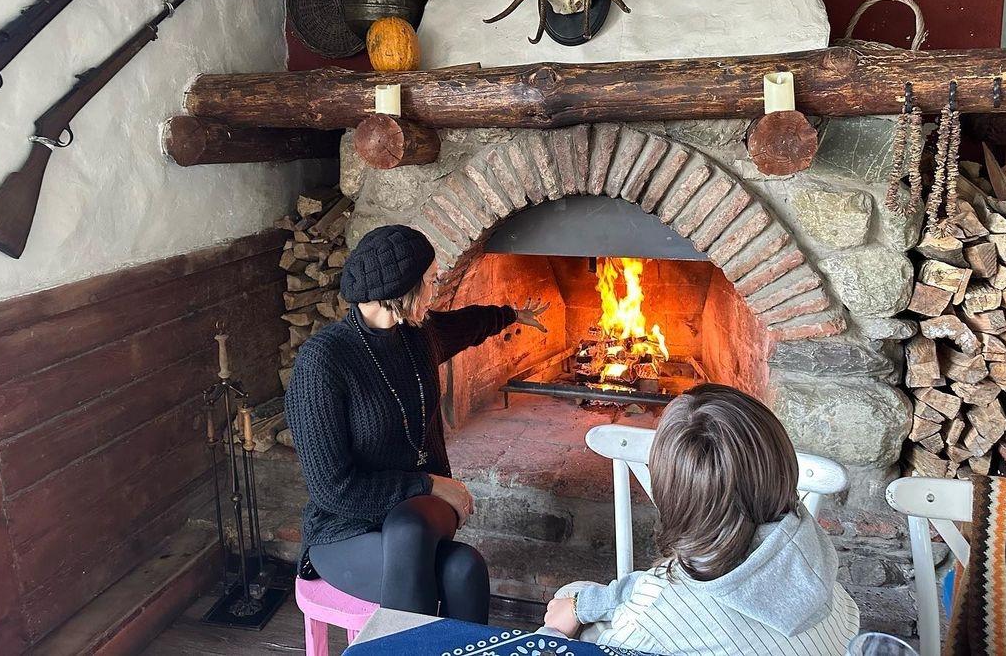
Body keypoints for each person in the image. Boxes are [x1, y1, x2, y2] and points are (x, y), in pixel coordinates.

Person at [285, 224, 547, 624]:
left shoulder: (417, 335)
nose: (436, 290)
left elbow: (466, 325)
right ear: (401, 291)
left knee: (410, 526)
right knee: (464, 570)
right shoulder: (323, 363)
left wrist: (511, 315)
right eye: (431, 280)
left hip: (419, 515)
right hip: (346, 529)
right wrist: (430, 484)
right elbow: (332, 490)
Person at [542, 384, 860, 655]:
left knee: (568, 600)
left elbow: (651, 609)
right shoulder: (811, 553)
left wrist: (552, 636)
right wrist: (583, 605)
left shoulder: (653, 620)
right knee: (579, 595)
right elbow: (662, 584)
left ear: (667, 493)